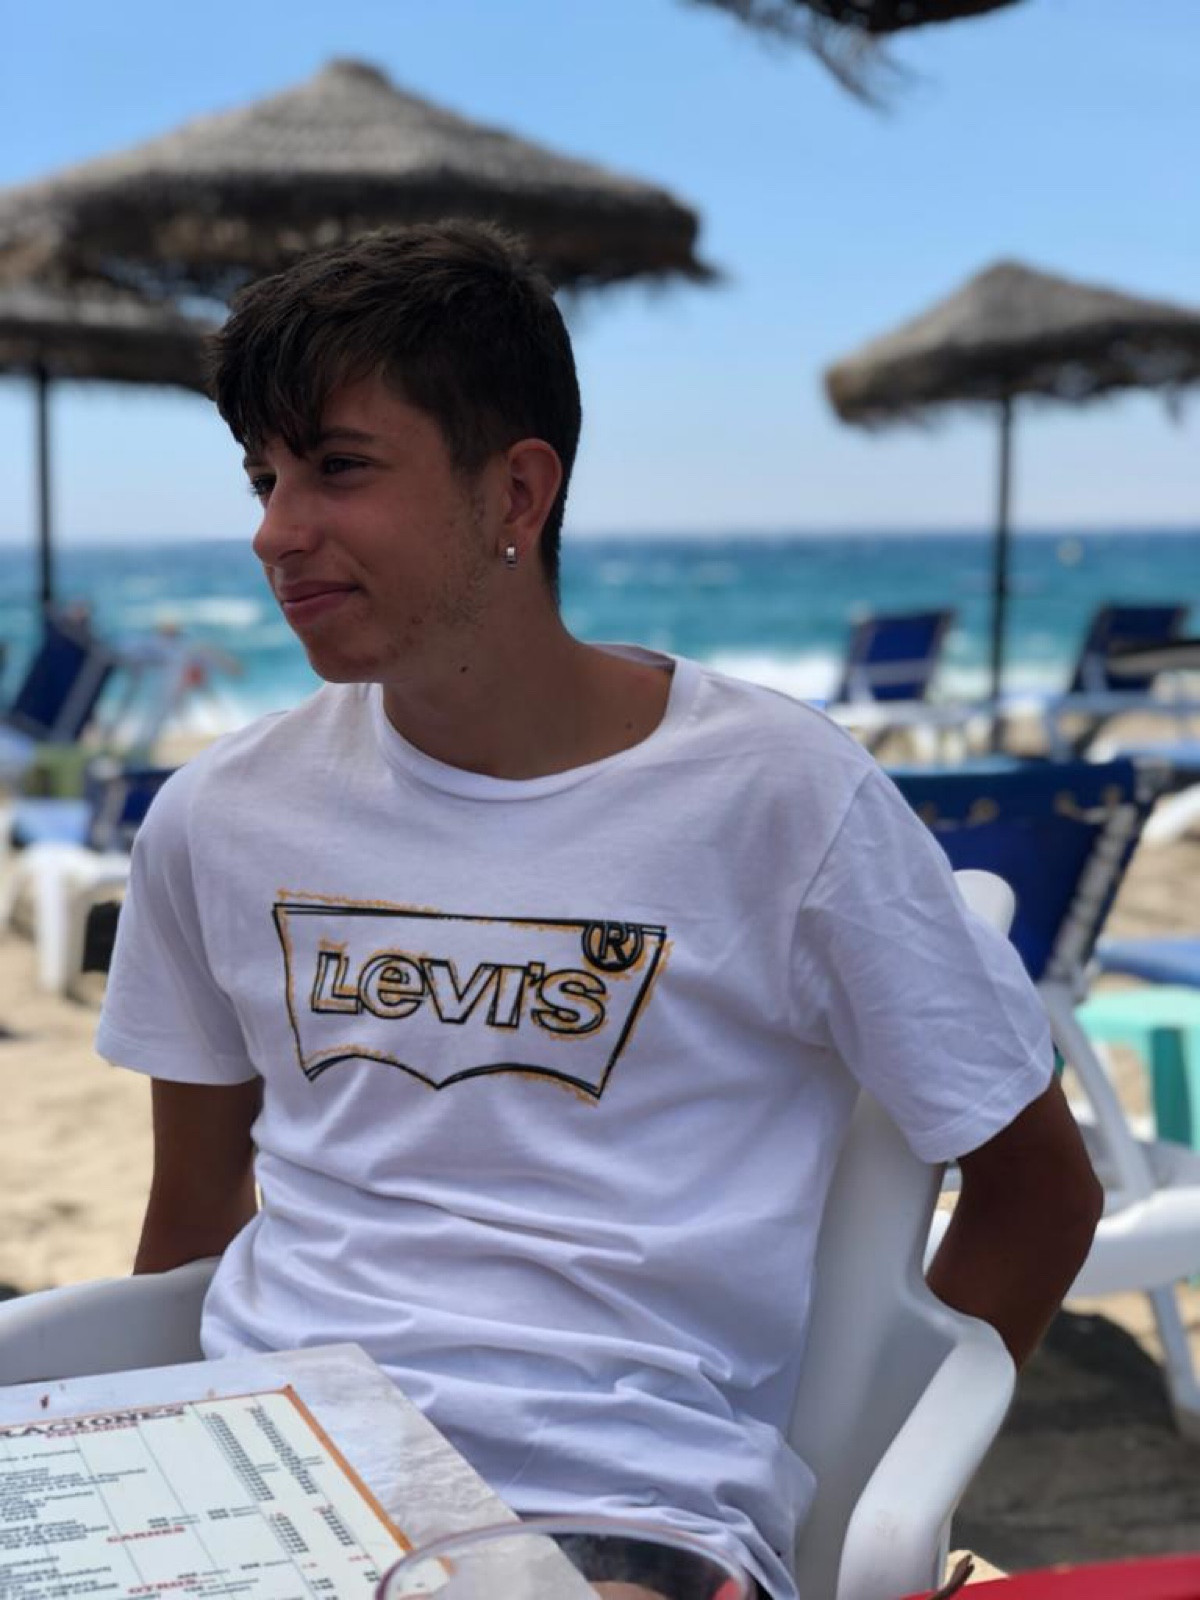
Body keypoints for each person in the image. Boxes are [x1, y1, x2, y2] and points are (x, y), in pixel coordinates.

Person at [97, 221, 1102, 1600]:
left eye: (338, 467)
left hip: (613, 1504)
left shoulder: (776, 797)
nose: (277, 531)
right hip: (275, 1487)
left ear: (517, 490)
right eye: (265, 479)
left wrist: (860, 1493)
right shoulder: (221, 818)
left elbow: (1039, 1194)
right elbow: (191, 1223)